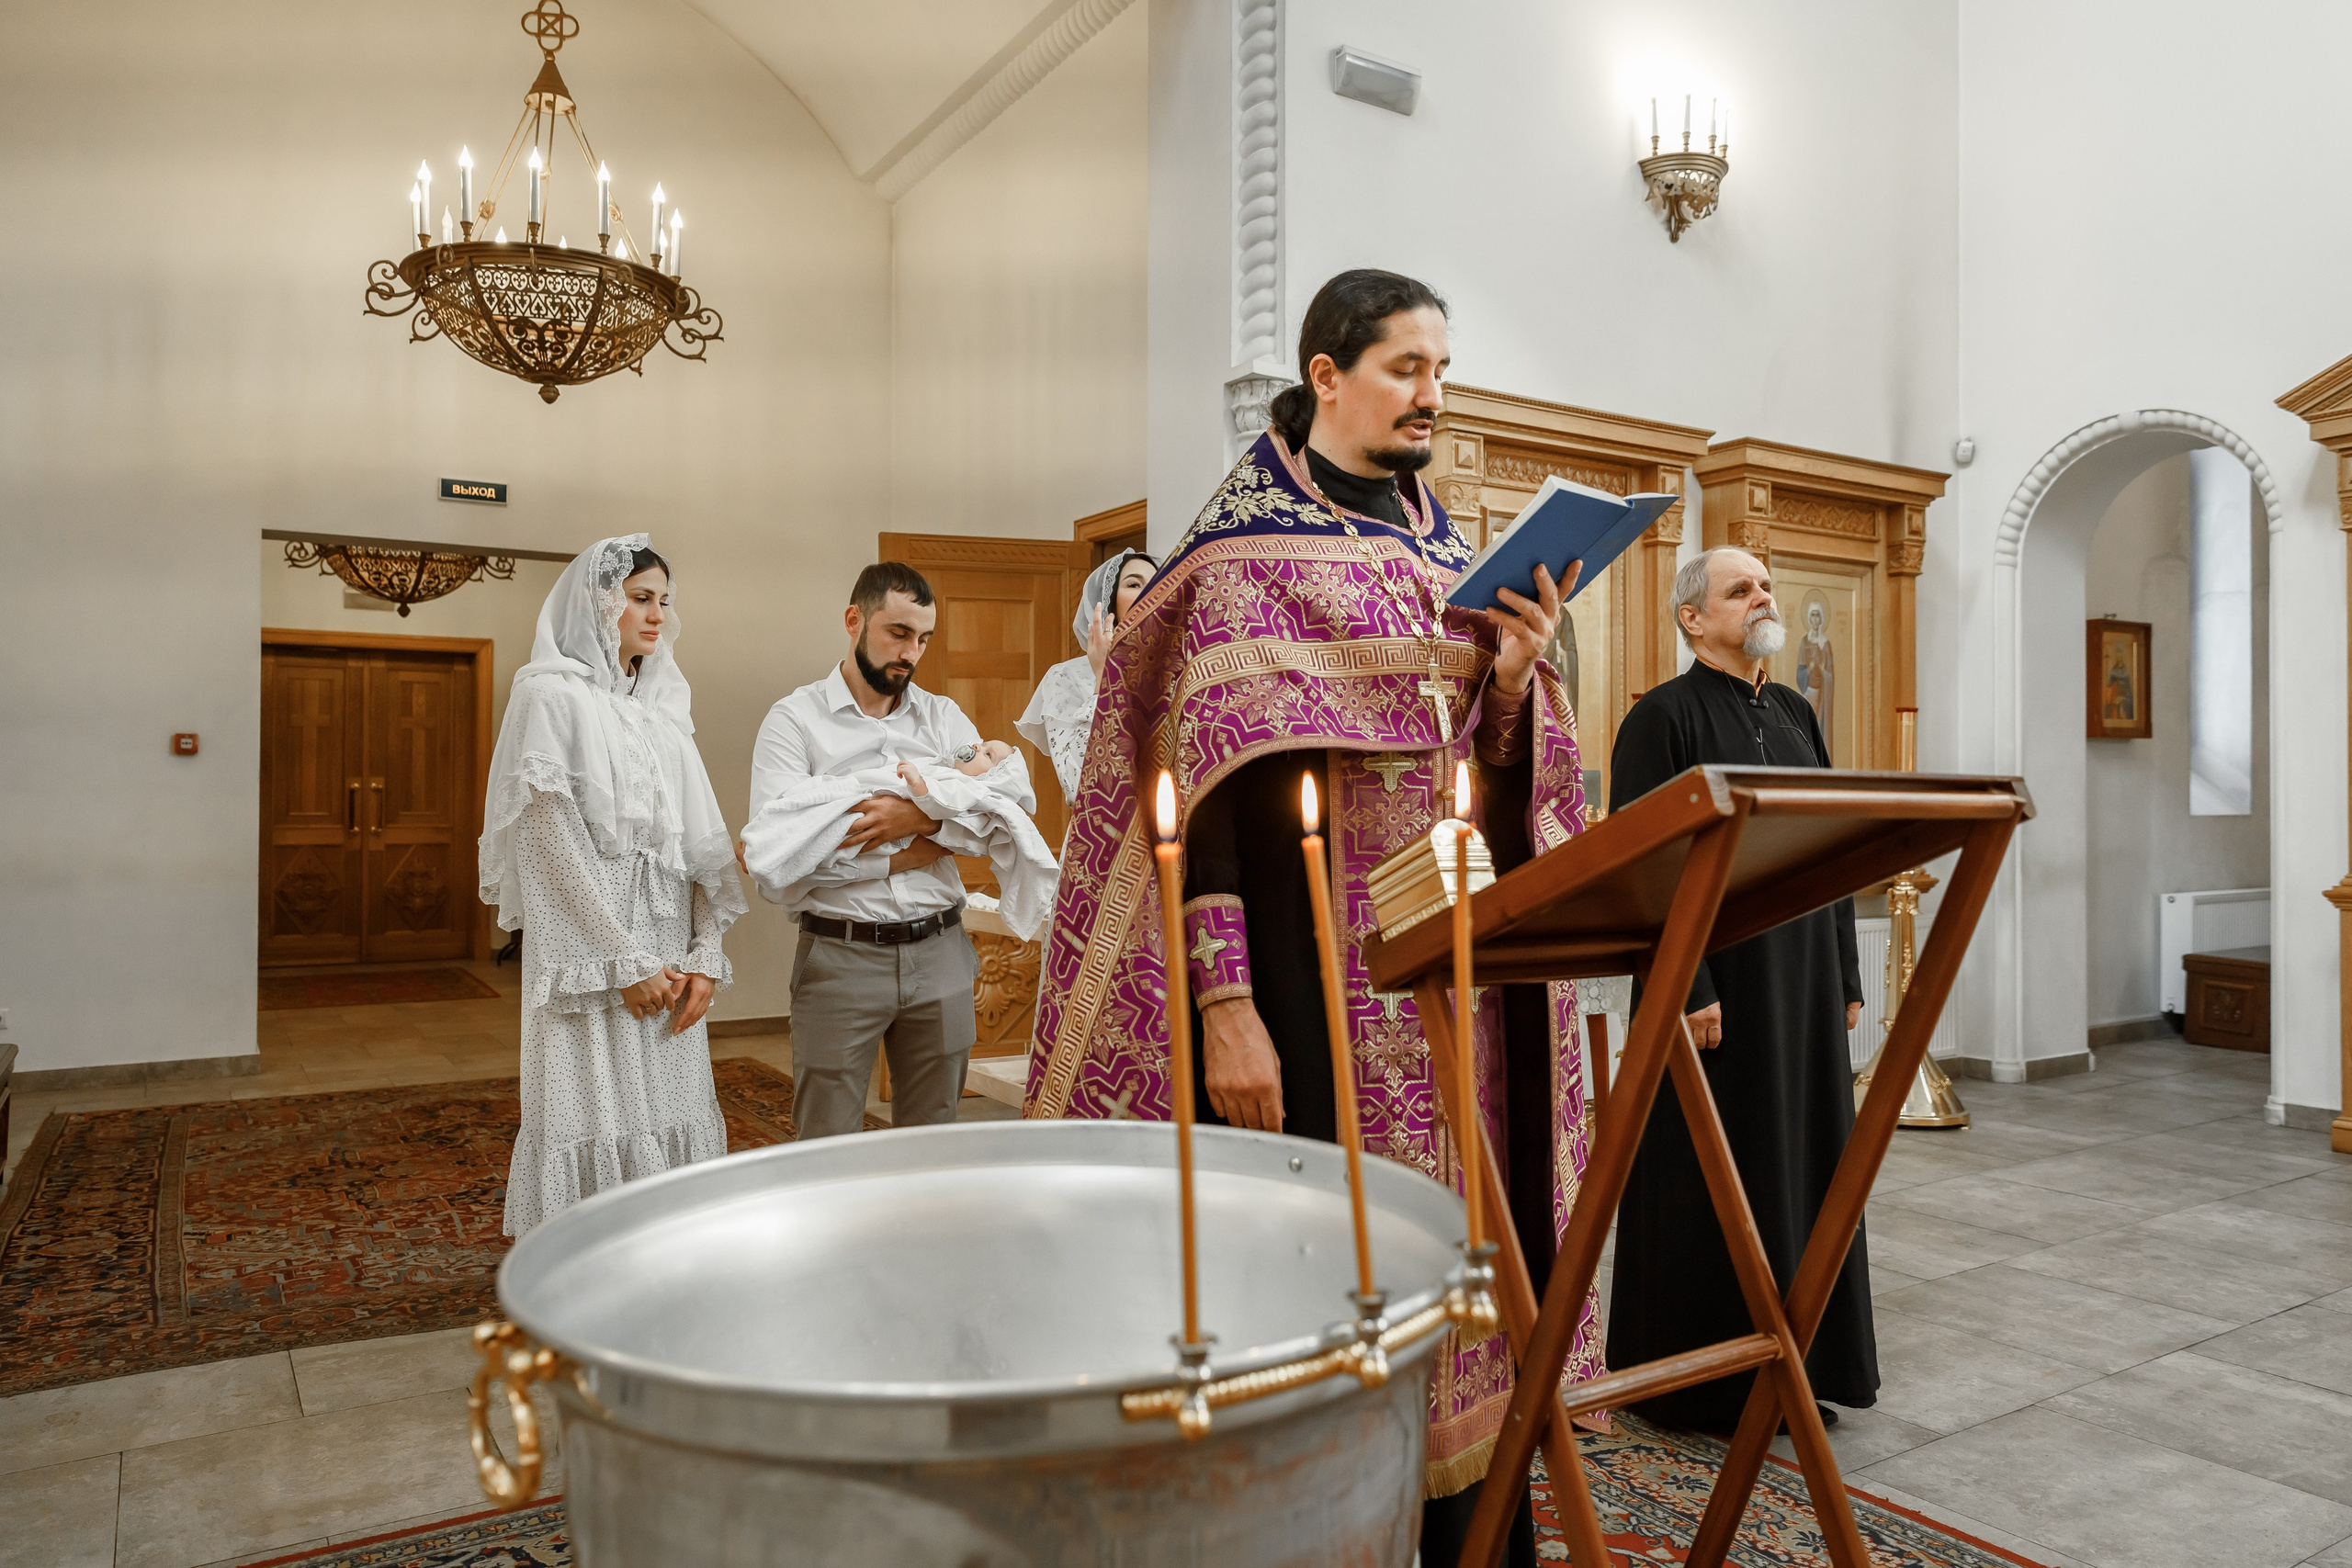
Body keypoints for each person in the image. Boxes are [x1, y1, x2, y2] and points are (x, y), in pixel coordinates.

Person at [1023, 270, 1600, 1568]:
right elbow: (1195, 810)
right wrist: (1226, 1006)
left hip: (1454, 1000)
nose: (1432, 397)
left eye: (1442, 372)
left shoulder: (1449, 551)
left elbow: (1488, 764)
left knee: (1454, 1282)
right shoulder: (1232, 557)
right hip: (1304, 992)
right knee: (1308, 1292)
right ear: (1327, 374)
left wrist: (1513, 672)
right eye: (1407, 369)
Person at [1605, 545, 1875, 1432]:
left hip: (1800, 988)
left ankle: (1802, 1367)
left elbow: (1830, 844)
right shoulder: (1662, 718)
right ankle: (1703, 1382)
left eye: (1766, 585)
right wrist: (1687, 984)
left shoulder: (1796, 710)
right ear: (1693, 617)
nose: (1763, 596)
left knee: (1804, 1163)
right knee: (1714, 1174)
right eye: (1741, 588)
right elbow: (1647, 866)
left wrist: (1843, 971)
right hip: (1716, 988)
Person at [481, 534, 746, 1237]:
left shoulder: (665, 714)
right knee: (591, 1117)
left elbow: (698, 852)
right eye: (640, 599)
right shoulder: (549, 697)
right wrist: (622, 961)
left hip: (667, 955)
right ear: (599, 603)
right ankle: (582, 1281)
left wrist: (703, 955)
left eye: (665, 602)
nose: (657, 616)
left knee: (668, 1116)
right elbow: (547, 845)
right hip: (588, 961)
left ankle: (660, 1269)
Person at [747, 563, 986, 1141]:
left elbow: (989, 823)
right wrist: (911, 850)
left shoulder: (943, 718)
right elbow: (780, 857)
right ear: (855, 620)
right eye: (898, 633)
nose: (912, 653)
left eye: (923, 638)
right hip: (841, 956)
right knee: (825, 1146)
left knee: (936, 1140)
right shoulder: (794, 722)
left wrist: (909, 815)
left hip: (942, 953)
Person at [1015, 549, 1157, 801]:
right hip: (1101, 831)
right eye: (1134, 584)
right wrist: (1103, 678)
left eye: (1158, 584)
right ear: (1109, 602)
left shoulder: (1181, 669)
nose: (1149, 593)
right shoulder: (1066, 676)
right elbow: (1076, 783)